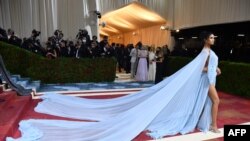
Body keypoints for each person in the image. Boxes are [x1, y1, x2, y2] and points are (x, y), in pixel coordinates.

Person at [7, 31, 221, 141]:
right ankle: (212, 125)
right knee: (217, 100)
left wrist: (214, 70)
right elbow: (199, 69)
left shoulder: (208, 53)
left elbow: (201, 69)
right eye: (212, 36)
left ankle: (212, 123)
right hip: (208, 80)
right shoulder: (205, 53)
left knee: (214, 100)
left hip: (208, 79)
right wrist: (213, 71)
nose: (214, 38)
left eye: (214, 36)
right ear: (205, 40)